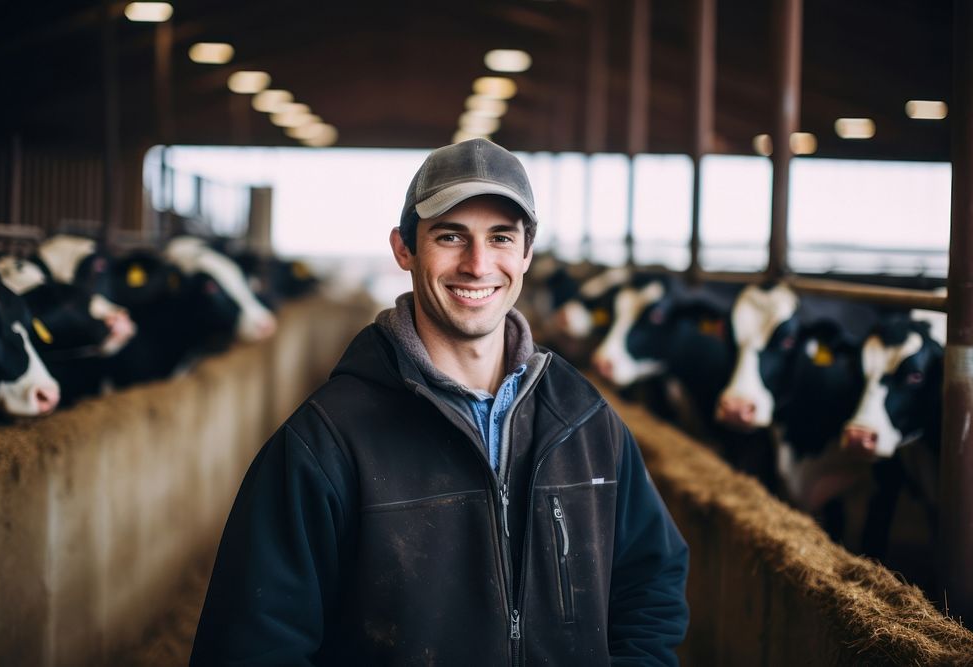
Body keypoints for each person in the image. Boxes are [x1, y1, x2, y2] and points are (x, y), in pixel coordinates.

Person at [190, 138, 689, 666]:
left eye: (500, 237)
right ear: (404, 249)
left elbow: (651, 581)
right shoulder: (325, 442)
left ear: (526, 254)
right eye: (451, 236)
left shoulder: (585, 419)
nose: (477, 265)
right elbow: (252, 645)